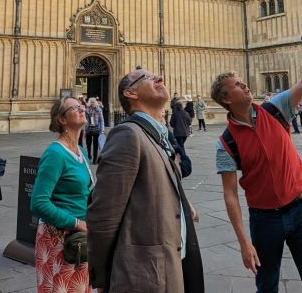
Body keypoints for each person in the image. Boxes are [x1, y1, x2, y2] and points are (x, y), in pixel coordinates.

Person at [214, 13, 302, 293]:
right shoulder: (226, 142)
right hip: (264, 219)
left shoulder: (275, 108)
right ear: (227, 99)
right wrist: (244, 241)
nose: (245, 85)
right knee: (266, 287)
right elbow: (230, 194)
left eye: (243, 81)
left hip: (301, 209)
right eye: (237, 84)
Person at [88, 70, 204, 293]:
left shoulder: (158, 134)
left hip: (173, 264)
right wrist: (103, 279)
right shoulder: (127, 135)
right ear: (130, 93)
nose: (160, 78)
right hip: (144, 275)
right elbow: (103, 215)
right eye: (149, 79)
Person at [30, 97, 93, 292]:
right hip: (59, 240)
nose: (82, 108)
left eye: (81, 105)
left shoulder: (81, 151)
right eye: (75, 107)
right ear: (62, 120)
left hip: (81, 239)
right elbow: (38, 203)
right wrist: (76, 223)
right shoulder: (55, 154)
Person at [84, 97, 105, 165]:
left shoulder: (99, 110)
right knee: (88, 144)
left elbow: (101, 120)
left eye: (93, 102)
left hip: (96, 129)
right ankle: (89, 155)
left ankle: (95, 159)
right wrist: (84, 129)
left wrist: (102, 130)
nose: (92, 103)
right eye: (91, 102)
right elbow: (85, 120)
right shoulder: (86, 110)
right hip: (88, 129)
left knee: (95, 145)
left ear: (95, 103)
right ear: (89, 103)